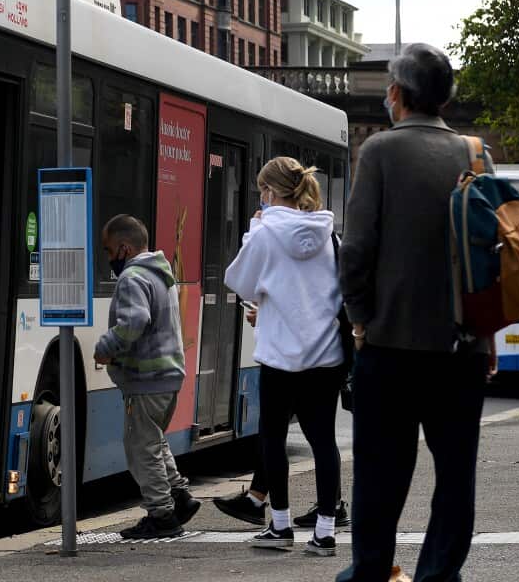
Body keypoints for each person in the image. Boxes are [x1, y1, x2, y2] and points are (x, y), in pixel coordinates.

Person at [336, 44, 497, 582]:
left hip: (390, 345)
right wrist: (486, 333)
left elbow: (357, 249)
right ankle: (438, 574)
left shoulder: (380, 151)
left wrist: (360, 318)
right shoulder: (476, 154)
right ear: (446, 99)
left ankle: (370, 571)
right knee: (455, 473)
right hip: (462, 345)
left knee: (380, 472)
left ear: (397, 94)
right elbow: (488, 258)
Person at [224, 157, 345, 557]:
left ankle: (280, 524)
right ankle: (325, 531)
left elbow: (239, 282)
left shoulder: (266, 233)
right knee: (323, 441)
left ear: (269, 191)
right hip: (325, 354)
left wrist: (253, 229)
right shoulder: (328, 235)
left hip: (280, 356)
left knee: (273, 439)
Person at [93, 214, 201, 539]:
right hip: (168, 375)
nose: (108, 257)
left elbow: (135, 320)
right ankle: (179, 496)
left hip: (146, 378)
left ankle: (162, 516)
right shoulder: (160, 274)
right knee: (153, 441)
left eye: (109, 250)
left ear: (124, 248)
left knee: (141, 449)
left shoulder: (132, 277)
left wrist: (106, 347)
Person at [213, 301, 351, 530]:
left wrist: (267, 318)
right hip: (324, 359)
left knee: (283, 434)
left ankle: (283, 519)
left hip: (304, 360)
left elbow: (308, 309)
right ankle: (261, 501)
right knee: (300, 435)